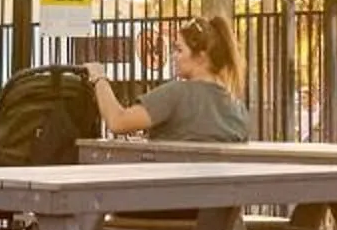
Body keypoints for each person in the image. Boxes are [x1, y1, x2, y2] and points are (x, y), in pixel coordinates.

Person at [89, 16, 251, 143]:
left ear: (202, 57)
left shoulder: (177, 94)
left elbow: (118, 122)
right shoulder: (237, 108)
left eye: (179, 50)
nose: (173, 57)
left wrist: (99, 77)